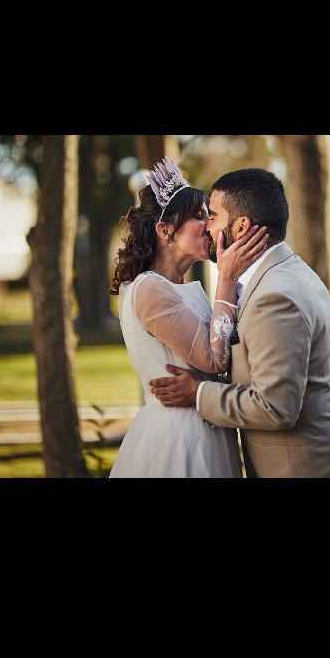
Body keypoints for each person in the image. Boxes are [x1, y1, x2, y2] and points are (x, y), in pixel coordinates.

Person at [150, 168, 330, 479]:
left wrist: (196, 393)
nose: (206, 226)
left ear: (241, 226)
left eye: (214, 216)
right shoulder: (281, 274)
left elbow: (275, 406)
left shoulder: (275, 296)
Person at [109, 159, 269, 478]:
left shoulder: (178, 286)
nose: (209, 225)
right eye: (198, 217)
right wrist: (225, 277)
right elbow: (213, 358)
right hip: (181, 436)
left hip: (205, 421)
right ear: (165, 230)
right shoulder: (149, 289)